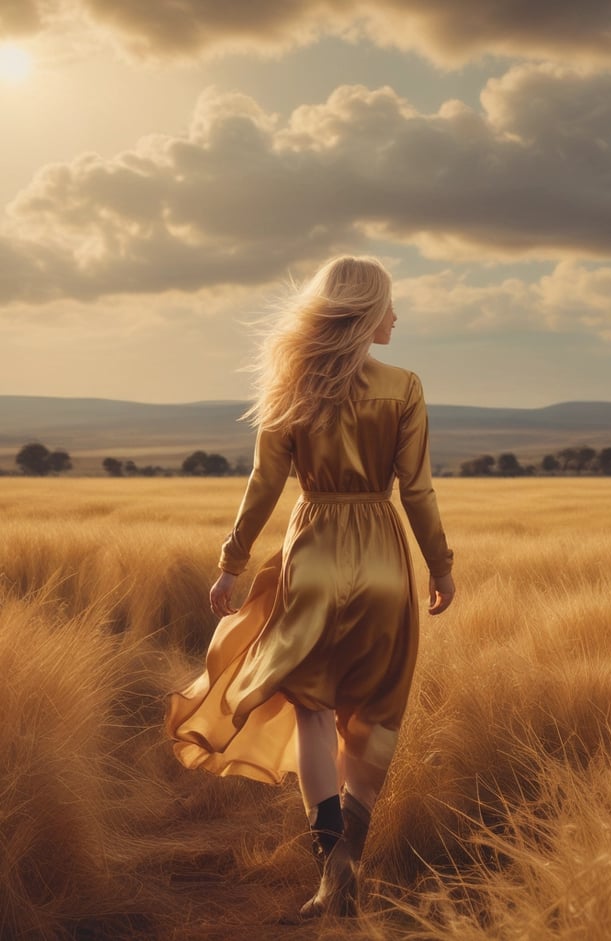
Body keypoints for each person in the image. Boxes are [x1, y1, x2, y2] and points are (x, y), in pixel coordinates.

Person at [166, 255, 455, 918]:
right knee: (375, 712)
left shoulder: (292, 386)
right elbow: (417, 490)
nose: (395, 316)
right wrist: (440, 567)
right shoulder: (404, 386)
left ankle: (331, 874)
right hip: (384, 557)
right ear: (365, 311)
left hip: (314, 550)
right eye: (389, 304)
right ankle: (350, 857)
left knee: (314, 711)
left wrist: (232, 561)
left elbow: (264, 484)